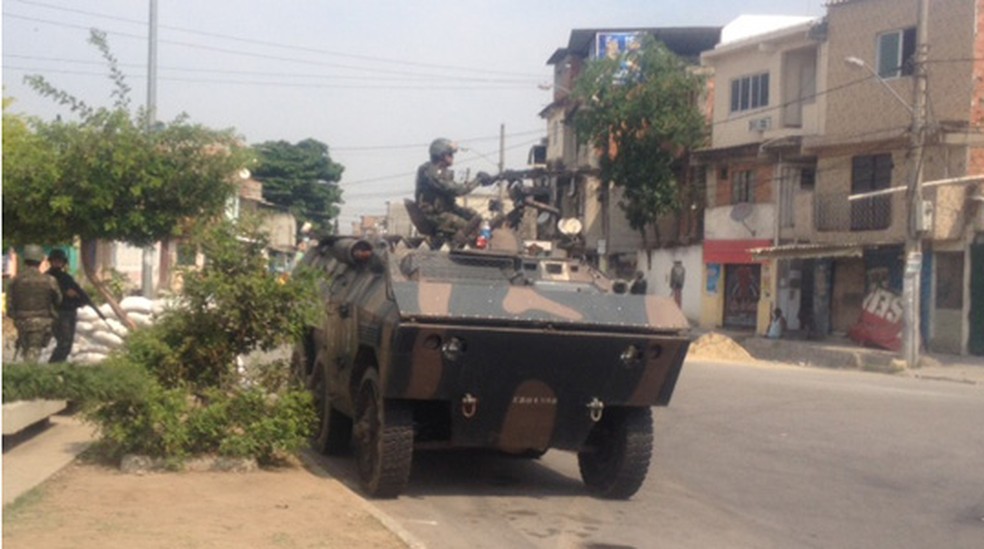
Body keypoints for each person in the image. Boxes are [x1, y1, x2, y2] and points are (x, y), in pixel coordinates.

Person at [415, 138, 493, 245]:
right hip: (434, 215)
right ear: (441, 155)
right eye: (450, 154)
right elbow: (456, 190)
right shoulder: (431, 171)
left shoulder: (442, 171)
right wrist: (478, 180)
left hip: (445, 211)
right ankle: (475, 254)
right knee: (467, 227)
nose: (452, 157)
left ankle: (482, 246)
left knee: (477, 218)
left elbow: (449, 200)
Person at [7, 244, 61, 362]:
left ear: (24, 260)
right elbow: (58, 300)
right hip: (42, 322)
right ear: (41, 260)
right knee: (33, 353)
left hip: (21, 322)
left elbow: (10, 307)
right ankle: (29, 377)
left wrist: (18, 317)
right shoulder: (49, 280)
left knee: (27, 351)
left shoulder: (14, 281)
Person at [46, 248, 87, 363]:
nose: (58, 263)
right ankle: (53, 367)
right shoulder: (48, 277)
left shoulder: (66, 277)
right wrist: (65, 292)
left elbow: (78, 292)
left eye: (60, 261)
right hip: (58, 313)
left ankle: (57, 366)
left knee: (66, 343)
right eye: (55, 260)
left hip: (68, 312)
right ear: (51, 261)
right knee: (64, 343)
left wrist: (81, 299)